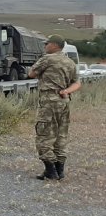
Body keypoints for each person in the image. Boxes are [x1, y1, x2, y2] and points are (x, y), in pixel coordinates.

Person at [28, 34, 81, 181]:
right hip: (64, 102)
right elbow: (77, 83)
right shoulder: (70, 62)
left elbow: (31, 73)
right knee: (60, 135)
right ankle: (59, 170)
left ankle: (50, 171)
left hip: (49, 102)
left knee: (44, 135)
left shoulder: (47, 59)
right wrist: (66, 91)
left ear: (55, 45)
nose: (45, 46)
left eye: (47, 44)